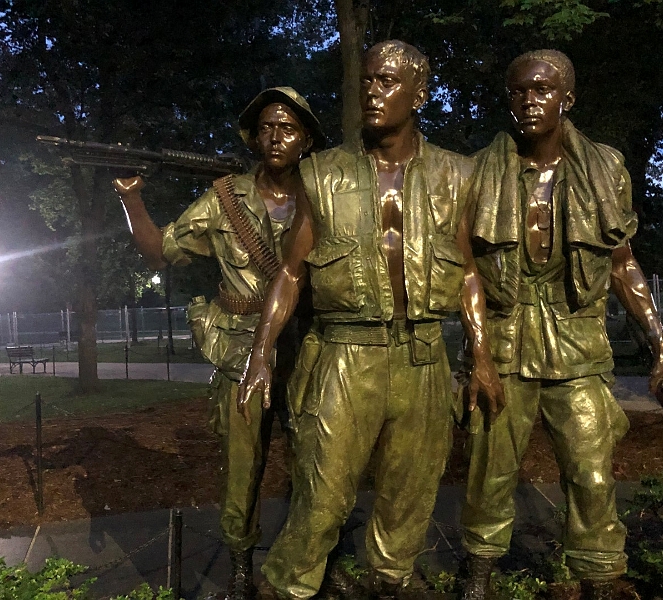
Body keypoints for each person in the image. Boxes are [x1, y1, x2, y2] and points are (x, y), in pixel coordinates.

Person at [238, 40, 504, 600]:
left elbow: (467, 272)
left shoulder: (457, 174)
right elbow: (291, 273)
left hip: (423, 355)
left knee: (411, 493)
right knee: (322, 496)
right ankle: (287, 587)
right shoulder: (321, 173)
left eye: (386, 81)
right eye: (366, 81)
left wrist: (481, 356)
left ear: (418, 94)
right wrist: (261, 353)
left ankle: (392, 582)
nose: (372, 92)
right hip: (345, 354)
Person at [459, 49, 663, 600]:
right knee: (491, 467)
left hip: (578, 340)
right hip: (506, 339)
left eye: (542, 90)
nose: (529, 101)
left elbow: (622, 264)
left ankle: (600, 573)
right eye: (518, 91)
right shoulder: (476, 172)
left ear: (568, 98)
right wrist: (479, 356)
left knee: (592, 470)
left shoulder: (605, 169)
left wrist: (662, 348)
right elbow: (465, 269)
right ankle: (479, 570)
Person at [114, 87, 325, 600]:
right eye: (266, 127)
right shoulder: (224, 199)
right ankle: (239, 565)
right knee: (241, 469)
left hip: (310, 350)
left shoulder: (327, 193)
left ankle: (310, 561)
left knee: (318, 465)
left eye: (288, 128)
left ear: (306, 139)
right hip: (239, 353)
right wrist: (131, 198)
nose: (276, 137)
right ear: (254, 138)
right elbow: (158, 252)